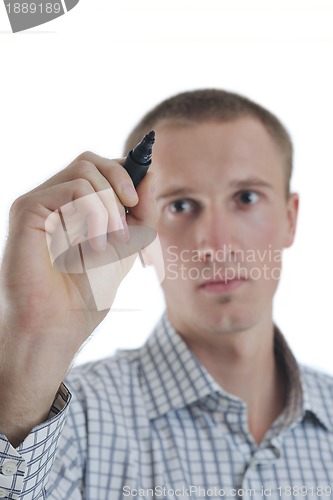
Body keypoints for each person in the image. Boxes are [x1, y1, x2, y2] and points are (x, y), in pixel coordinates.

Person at [0, 89, 332, 500]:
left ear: (289, 219)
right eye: (180, 205)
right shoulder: (64, 427)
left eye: (247, 198)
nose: (217, 244)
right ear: (138, 233)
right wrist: (29, 341)